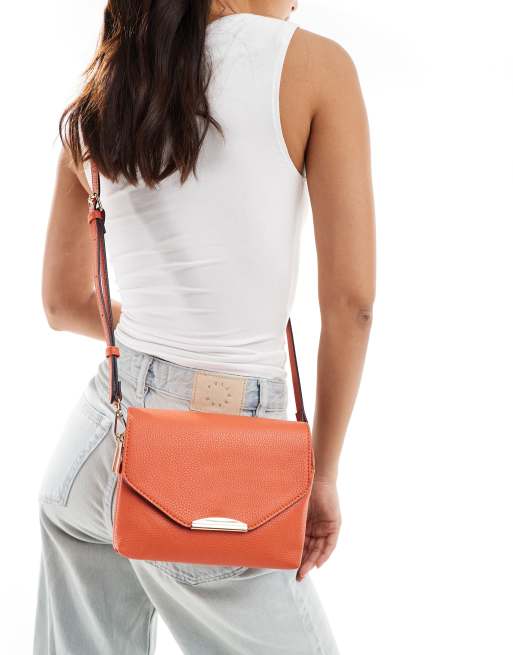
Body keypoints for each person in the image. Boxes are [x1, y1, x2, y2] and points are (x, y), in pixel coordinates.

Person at [34, 1, 375, 653]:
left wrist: (159, 343)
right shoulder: (314, 66)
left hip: (92, 455)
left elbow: (62, 303)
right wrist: (322, 474)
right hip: (208, 467)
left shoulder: (106, 87)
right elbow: (351, 304)